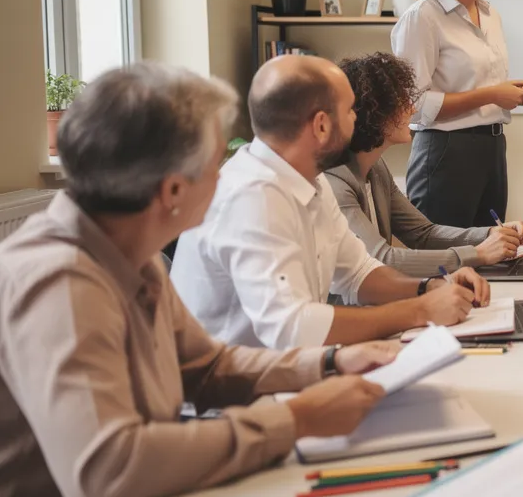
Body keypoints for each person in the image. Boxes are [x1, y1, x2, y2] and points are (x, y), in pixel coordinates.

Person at [0, 63, 401, 497]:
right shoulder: (59, 280)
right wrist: (294, 419)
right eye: (215, 164)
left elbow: (206, 367)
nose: (226, 174)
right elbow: (107, 468)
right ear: (172, 191)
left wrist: (330, 363)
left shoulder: (130, 248)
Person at [172, 55, 491, 349]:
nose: (357, 118)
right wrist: (419, 310)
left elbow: (360, 273)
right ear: (322, 125)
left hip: (287, 372)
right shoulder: (252, 197)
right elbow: (291, 326)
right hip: (236, 398)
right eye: (351, 109)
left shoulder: (311, 180)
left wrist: (430, 287)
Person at [392, 0, 523, 228]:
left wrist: (512, 92)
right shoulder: (423, 17)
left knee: (490, 257)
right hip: (446, 154)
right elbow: (414, 107)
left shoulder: (490, 14)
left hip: (491, 148)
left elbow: (478, 86)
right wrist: (491, 94)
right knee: (444, 266)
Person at [325, 52, 523, 278]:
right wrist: (478, 254)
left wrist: (490, 233)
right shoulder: (335, 183)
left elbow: (423, 233)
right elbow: (382, 259)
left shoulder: (376, 168)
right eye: (402, 103)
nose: (412, 110)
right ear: (374, 112)